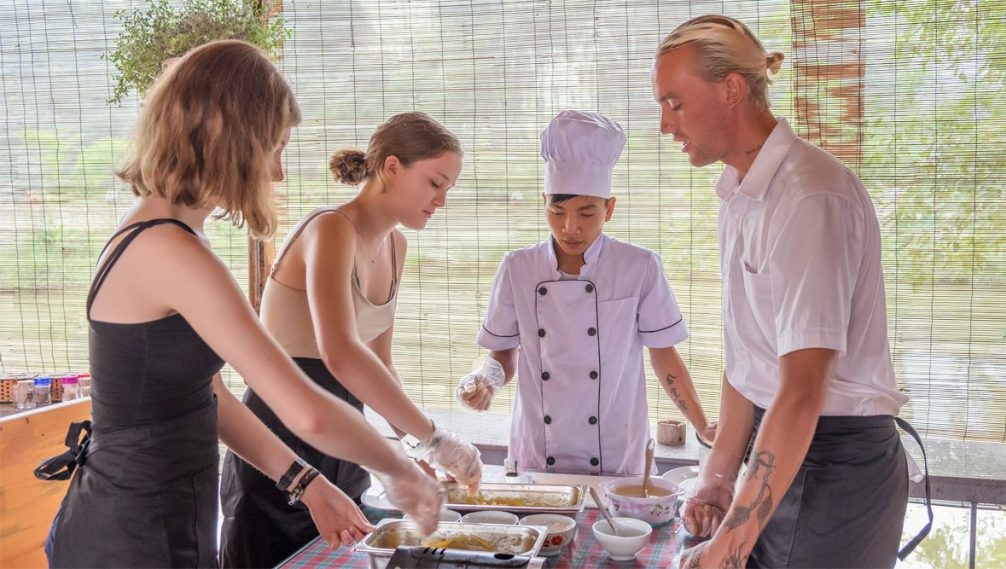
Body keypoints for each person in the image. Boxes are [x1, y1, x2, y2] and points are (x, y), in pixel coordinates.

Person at [42, 40, 443, 569]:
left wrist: (309, 485)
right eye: (274, 147)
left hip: (160, 516)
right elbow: (303, 409)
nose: (277, 172)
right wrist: (404, 468)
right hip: (129, 531)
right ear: (228, 138)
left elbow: (208, 397)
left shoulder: (165, 235)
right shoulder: (170, 248)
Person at [651, 15, 927, 568]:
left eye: (675, 103)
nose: (665, 125)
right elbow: (747, 364)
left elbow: (801, 389)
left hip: (835, 467)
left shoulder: (810, 197)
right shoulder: (739, 195)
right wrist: (716, 478)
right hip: (779, 451)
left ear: (731, 89)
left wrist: (729, 548)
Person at [219, 111, 483, 568]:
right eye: (435, 182)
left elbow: (378, 364)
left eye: (448, 189)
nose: (441, 199)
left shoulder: (396, 248)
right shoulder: (331, 228)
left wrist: (412, 449)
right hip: (279, 439)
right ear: (393, 168)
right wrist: (436, 438)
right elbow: (339, 353)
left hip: (343, 443)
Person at [457, 110, 716, 477]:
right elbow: (502, 352)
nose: (570, 227)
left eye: (587, 213)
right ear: (544, 200)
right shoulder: (519, 267)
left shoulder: (639, 267)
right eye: (557, 210)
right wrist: (486, 380)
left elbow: (664, 356)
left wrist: (702, 424)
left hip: (614, 452)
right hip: (538, 452)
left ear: (609, 208)